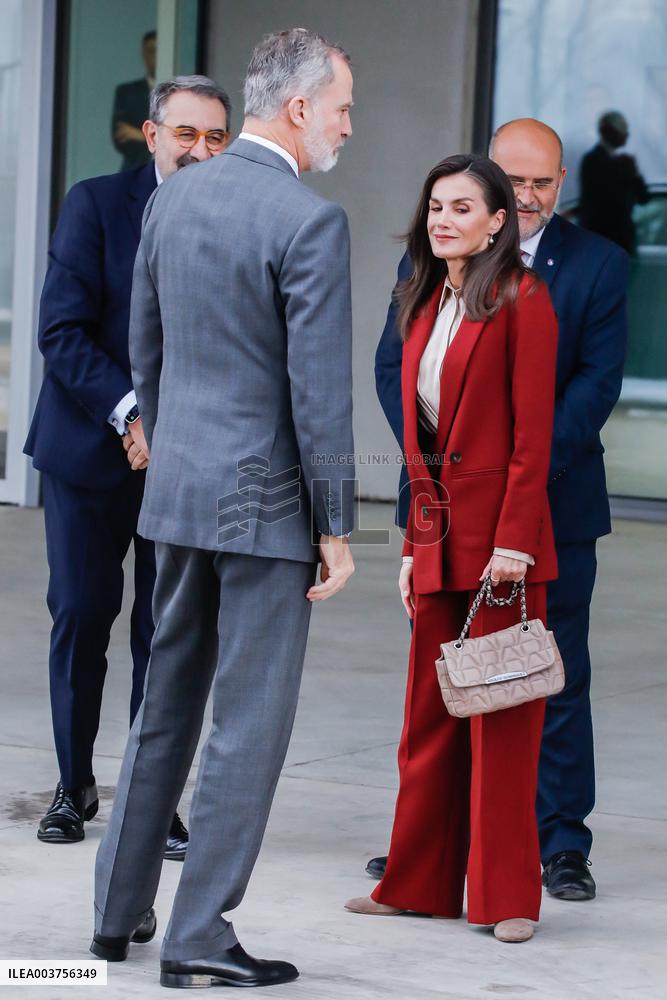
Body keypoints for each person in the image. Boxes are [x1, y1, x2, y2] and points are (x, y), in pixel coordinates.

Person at [91, 28, 355, 989]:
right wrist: (335, 526)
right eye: (339, 109)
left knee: (164, 708)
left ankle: (115, 920)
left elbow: (146, 350)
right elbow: (316, 390)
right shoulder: (307, 220)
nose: (344, 127)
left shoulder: (175, 196)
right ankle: (199, 936)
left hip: (180, 494)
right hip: (265, 510)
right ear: (296, 109)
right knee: (247, 723)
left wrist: (176, 458)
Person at [371, 118, 629, 901]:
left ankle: (549, 853)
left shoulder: (578, 274)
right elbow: (401, 386)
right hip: (443, 523)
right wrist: (431, 512)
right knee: (437, 697)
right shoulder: (426, 278)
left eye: (539, 183)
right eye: (508, 181)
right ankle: (427, 865)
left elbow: (588, 388)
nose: (524, 196)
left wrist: (516, 496)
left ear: (557, 187)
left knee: (534, 692)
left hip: (540, 514)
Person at [345, 154, 558, 943]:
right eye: (435, 205)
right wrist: (411, 546)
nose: (442, 219)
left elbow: (532, 441)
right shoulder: (421, 298)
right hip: (437, 541)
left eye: (462, 207)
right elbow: (424, 445)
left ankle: (506, 898)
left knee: (500, 724)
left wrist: (513, 544)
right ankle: (416, 885)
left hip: (503, 550)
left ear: (498, 221)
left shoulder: (523, 301)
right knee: (426, 720)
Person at [25, 75, 232, 857]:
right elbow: (61, 333)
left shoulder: (232, 219)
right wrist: (132, 412)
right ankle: (72, 786)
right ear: (151, 136)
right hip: (87, 453)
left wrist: (176, 427)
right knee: (82, 614)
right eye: (186, 134)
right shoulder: (94, 205)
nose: (201, 150)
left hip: (186, 461)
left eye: (216, 137)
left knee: (166, 632)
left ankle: (153, 801)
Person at [579, 110, 649, 254]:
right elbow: (604, 201)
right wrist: (626, 170)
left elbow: (643, 197)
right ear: (608, 131)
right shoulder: (594, 160)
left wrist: (631, 171)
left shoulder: (618, 163)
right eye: (621, 130)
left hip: (617, 242)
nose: (626, 135)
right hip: (603, 240)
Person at [111, 30, 157, 170]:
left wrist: (141, 136)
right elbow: (122, 138)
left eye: (158, 50)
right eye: (150, 50)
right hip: (134, 170)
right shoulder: (127, 92)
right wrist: (161, 141)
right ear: (143, 54)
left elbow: (182, 139)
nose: (154, 55)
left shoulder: (178, 94)